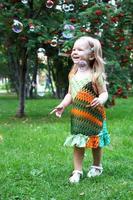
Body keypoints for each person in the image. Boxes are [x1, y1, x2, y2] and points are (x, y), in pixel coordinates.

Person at [50, 36, 110, 183]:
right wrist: (63, 105)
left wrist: (100, 99)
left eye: (79, 49)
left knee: (95, 143)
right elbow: (70, 94)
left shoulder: (96, 75)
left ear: (91, 55)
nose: (74, 52)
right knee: (78, 143)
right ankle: (77, 171)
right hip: (78, 116)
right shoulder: (73, 74)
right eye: (73, 49)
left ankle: (96, 166)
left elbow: (104, 93)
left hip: (94, 115)